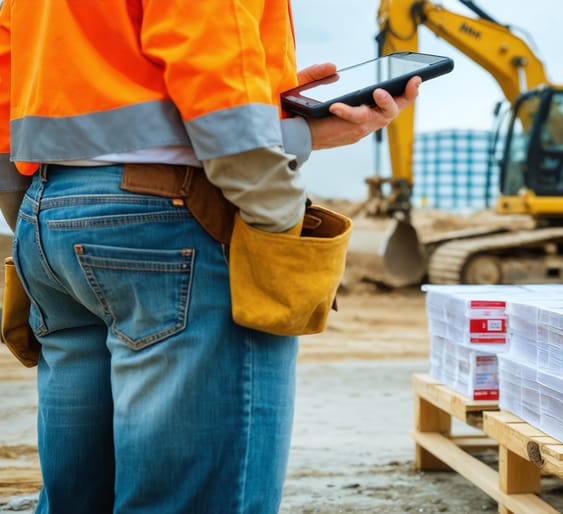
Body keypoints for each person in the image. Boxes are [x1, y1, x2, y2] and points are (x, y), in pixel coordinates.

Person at [0, 2, 421, 513]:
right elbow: (208, 59)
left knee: (76, 498)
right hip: (174, 225)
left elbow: (12, 65)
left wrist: (292, 127)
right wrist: (277, 224)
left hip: (50, 214)